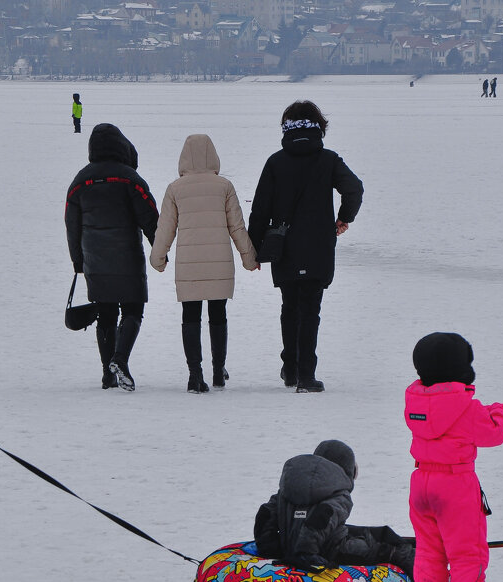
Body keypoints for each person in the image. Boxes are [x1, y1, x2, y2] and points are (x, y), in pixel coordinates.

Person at [405, 332, 503, 582]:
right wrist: (501, 410)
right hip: (455, 484)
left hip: (421, 483)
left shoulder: (415, 401)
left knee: (428, 551)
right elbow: (494, 434)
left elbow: (444, 419)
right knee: (468, 554)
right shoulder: (465, 407)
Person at [248, 100, 363, 393]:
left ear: (286, 128)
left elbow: (260, 209)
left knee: (290, 305)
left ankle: (291, 369)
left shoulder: (275, 162)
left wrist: (254, 247)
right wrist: (344, 218)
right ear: (319, 127)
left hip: (283, 246)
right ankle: (306, 376)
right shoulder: (328, 160)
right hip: (318, 245)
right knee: (311, 308)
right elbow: (354, 188)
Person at [149, 134, 259, 393]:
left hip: (189, 264)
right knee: (218, 315)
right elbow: (237, 227)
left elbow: (165, 229)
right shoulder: (224, 186)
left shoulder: (175, 188)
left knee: (190, 316)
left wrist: (158, 258)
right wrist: (250, 257)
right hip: (219, 263)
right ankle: (218, 370)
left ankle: (194, 375)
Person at [65, 123, 159, 391]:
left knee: (106, 314)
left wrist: (78, 260)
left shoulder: (80, 181)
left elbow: (72, 225)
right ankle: (121, 359)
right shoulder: (130, 179)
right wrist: (160, 249)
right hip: (128, 257)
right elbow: (150, 219)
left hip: (94, 259)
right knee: (133, 309)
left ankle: (108, 374)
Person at [253, 440, 415, 576]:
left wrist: (271, 550)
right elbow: (319, 520)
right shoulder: (339, 495)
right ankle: (425, 577)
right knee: (388, 550)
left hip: (290, 544)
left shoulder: (288, 487)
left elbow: (266, 515)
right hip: (331, 551)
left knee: (377, 533)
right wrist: (305, 555)